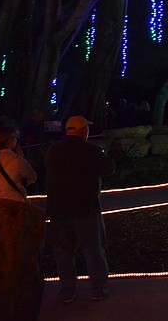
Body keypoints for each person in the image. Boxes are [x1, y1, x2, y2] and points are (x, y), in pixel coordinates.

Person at [45, 115, 115, 303]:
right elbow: (109, 168)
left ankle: (67, 290)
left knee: (63, 252)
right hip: (85, 208)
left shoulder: (53, 150)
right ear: (84, 131)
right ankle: (98, 288)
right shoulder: (90, 150)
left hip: (58, 209)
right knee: (93, 249)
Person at [0, 125, 37, 202]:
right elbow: (32, 176)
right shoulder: (16, 160)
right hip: (11, 204)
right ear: (10, 140)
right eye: (15, 138)